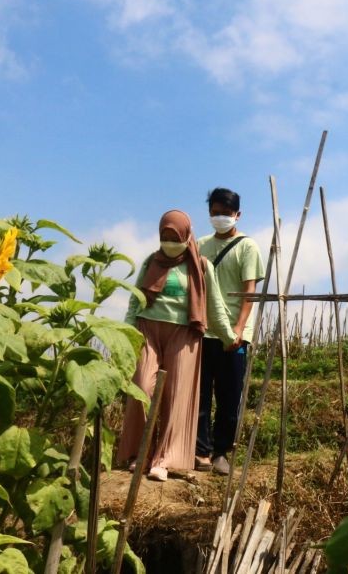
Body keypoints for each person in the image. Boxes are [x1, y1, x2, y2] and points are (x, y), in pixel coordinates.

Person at [117, 210, 237, 482]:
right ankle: (140, 453)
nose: (169, 242)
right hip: (147, 328)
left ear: (186, 235)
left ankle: (163, 459)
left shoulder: (202, 265)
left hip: (184, 333)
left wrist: (229, 337)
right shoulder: (151, 261)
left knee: (175, 395)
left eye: (174, 237)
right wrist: (125, 334)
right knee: (141, 389)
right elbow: (135, 301)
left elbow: (214, 307)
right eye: (164, 236)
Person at [195, 188, 265, 475]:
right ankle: (201, 451)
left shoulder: (248, 247)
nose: (219, 217)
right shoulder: (199, 245)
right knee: (199, 395)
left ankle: (221, 453)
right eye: (214, 212)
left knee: (229, 397)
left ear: (238, 215)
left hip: (234, 336)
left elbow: (250, 292)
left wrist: (237, 329)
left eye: (225, 213)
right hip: (203, 331)